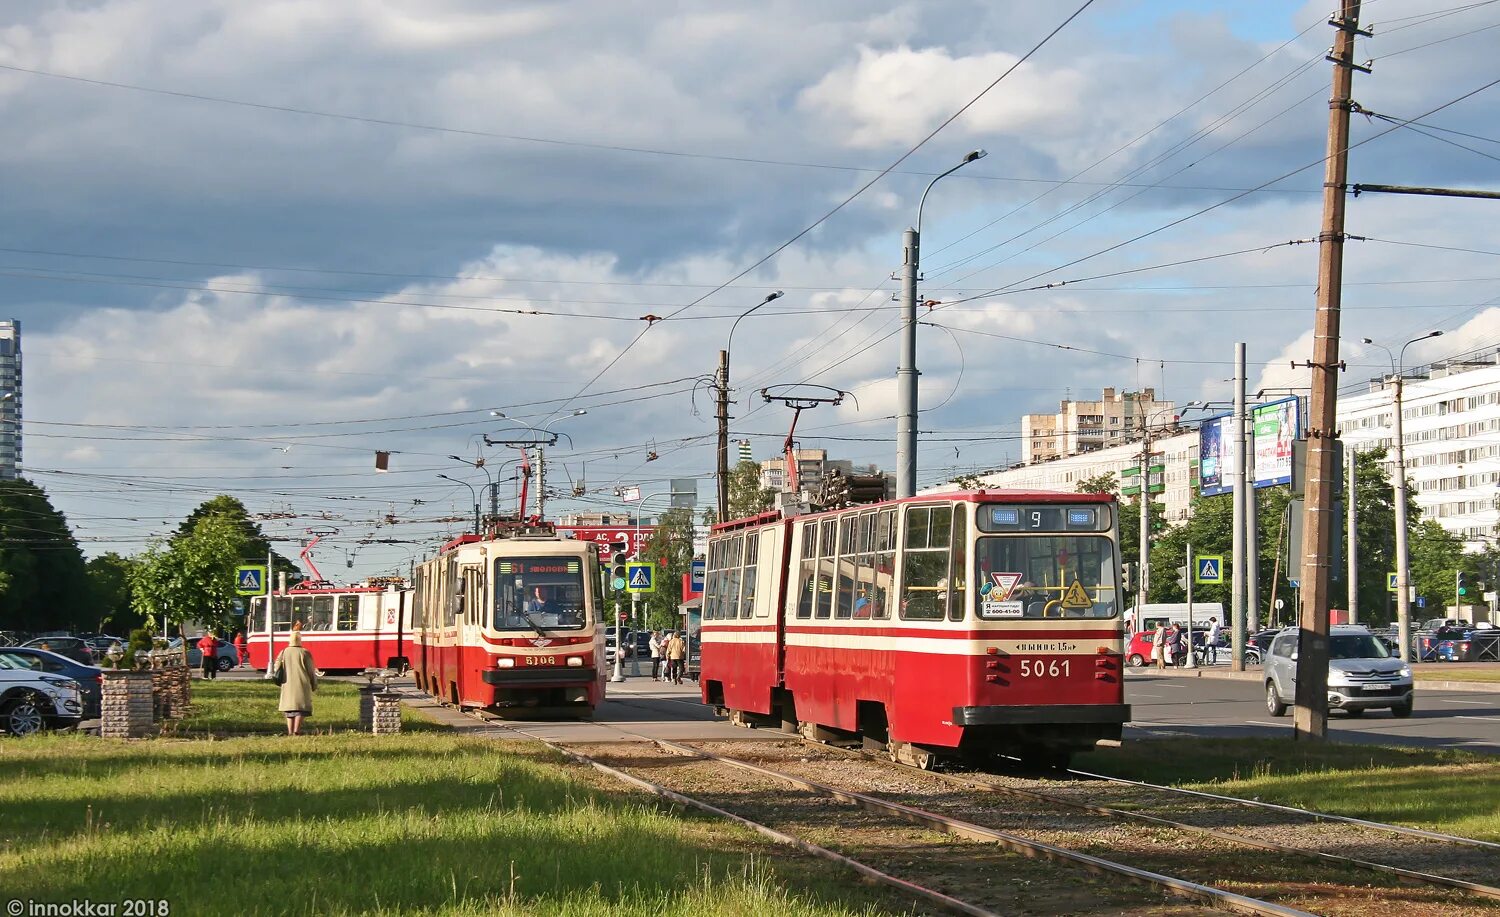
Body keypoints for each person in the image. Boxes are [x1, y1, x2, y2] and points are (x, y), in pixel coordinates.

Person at [271, 630, 318, 736]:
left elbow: (277, 666)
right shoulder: (305, 652)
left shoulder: (283, 652)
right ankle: (297, 731)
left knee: (289, 710)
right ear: (300, 640)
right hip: (302, 683)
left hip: (287, 683)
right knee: (301, 708)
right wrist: (314, 684)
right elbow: (311, 670)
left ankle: (290, 731)